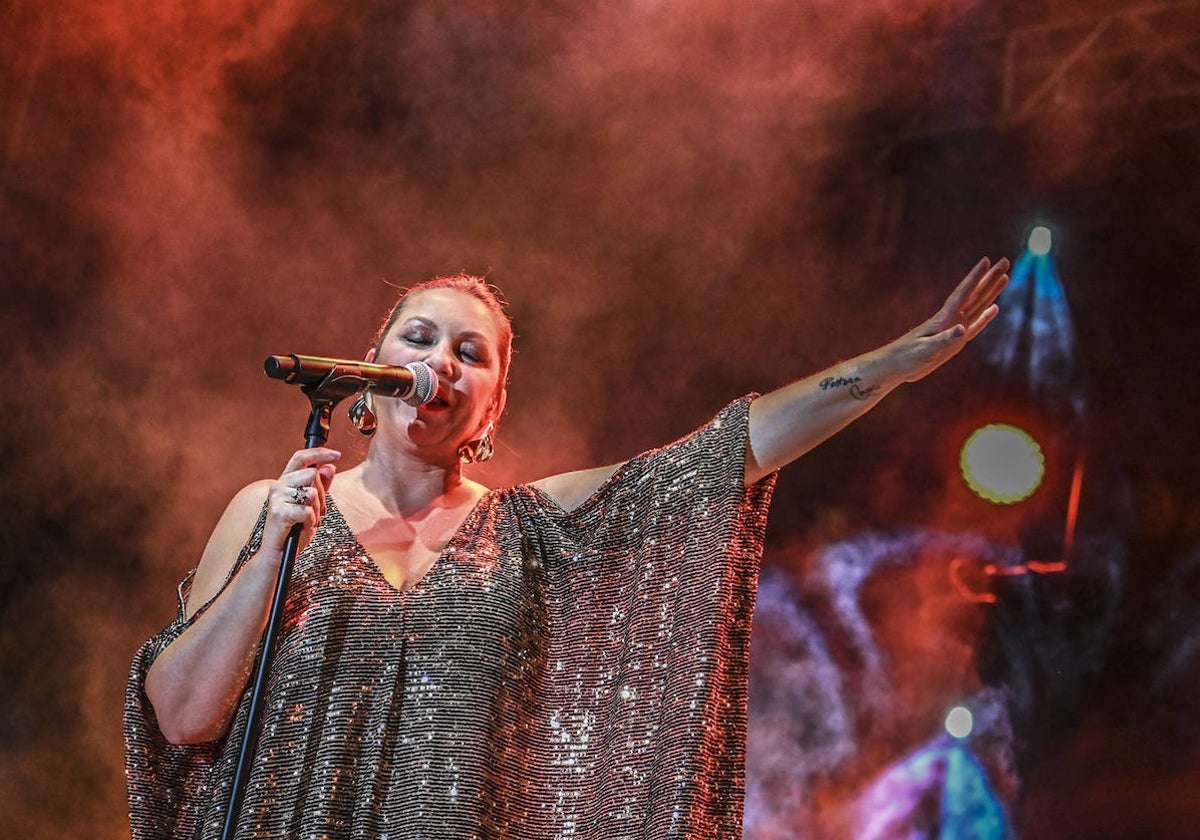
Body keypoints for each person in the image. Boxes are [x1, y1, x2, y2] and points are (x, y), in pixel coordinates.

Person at [125, 258, 1009, 839]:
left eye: (471, 353)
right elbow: (182, 716)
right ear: (372, 365)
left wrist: (889, 367)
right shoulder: (273, 509)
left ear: (492, 406)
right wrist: (275, 552)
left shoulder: (528, 530)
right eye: (420, 337)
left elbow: (725, 452)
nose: (440, 360)